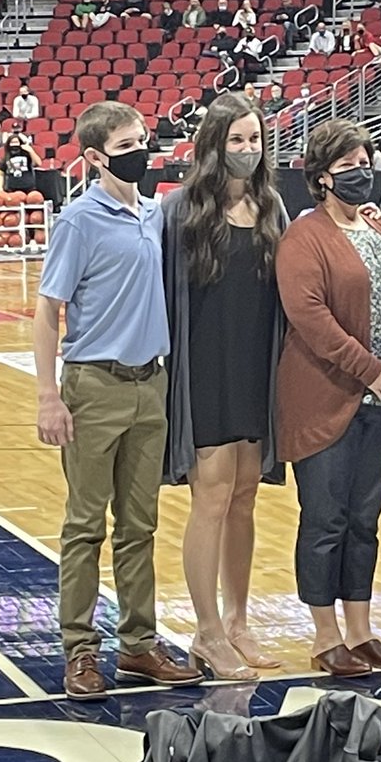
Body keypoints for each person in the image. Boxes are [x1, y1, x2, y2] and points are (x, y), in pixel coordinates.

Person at [33, 101, 203, 699]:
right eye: (128, 145)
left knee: (140, 525)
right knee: (84, 526)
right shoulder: (79, 220)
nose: (142, 152)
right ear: (95, 158)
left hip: (148, 384)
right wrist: (48, 395)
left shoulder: (154, 214)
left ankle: (138, 645)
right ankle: (79, 650)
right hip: (93, 385)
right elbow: (48, 309)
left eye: (144, 140)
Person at [275, 119, 381, 677]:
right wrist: (372, 371)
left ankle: (361, 631)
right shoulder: (302, 237)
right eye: (349, 165)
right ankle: (324, 636)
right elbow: (311, 318)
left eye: (367, 161)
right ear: (321, 177)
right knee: (326, 520)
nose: (362, 172)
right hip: (325, 400)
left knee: (365, 521)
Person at [162, 94, 288, 679]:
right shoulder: (180, 210)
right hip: (204, 370)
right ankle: (206, 632)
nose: (247, 150)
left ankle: (238, 622)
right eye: (236, 140)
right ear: (213, 146)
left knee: (244, 499)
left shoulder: (271, 208)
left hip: (255, 369)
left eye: (254, 139)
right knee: (210, 499)